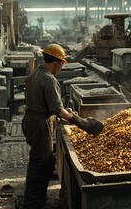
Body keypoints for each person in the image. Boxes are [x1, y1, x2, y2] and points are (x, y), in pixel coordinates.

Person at [22, 43, 103, 208]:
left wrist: (63, 111)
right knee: (39, 165)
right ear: (56, 63)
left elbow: (46, 104)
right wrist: (82, 122)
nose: (60, 68)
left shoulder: (34, 74)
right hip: (39, 125)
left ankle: (37, 199)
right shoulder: (49, 79)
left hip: (29, 121)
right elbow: (56, 109)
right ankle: (32, 204)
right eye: (61, 65)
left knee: (43, 163)